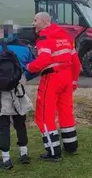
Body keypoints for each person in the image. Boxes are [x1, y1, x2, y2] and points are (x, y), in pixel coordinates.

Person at [26, 12, 81, 161]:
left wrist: (29, 67)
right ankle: (71, 146)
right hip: (67, 78)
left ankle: (53, 152)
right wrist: (74, 81)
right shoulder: (65, 37)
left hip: (51, 78)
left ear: (44, 21)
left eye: (35, 20)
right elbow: (76, 62)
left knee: (44, 116)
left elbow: (44, 59)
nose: (33, 23)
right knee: (66, 113)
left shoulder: (45, 37)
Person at [0, 30, 37, 170]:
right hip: (18, 90)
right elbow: (34, 68)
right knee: (20, 123)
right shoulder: (25, 49)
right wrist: (23, 78)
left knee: (3, 125)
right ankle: (24, 154)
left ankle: (6, 159)